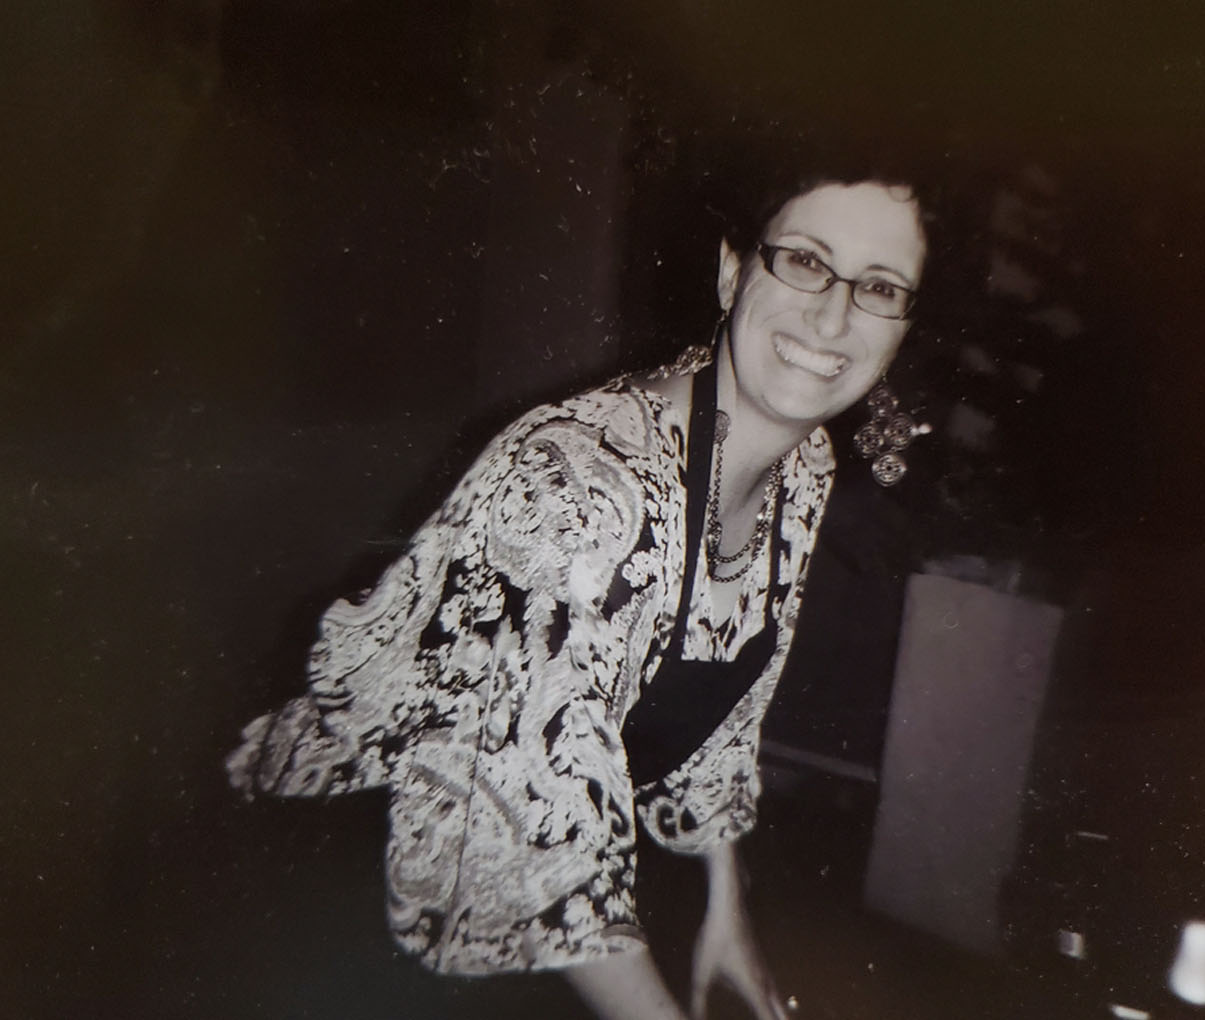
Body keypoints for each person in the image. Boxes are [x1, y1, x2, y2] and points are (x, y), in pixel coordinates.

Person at [226, 170, 929, 1020]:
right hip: (364, 882)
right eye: (806, 262)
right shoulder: (574, 485)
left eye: (878, 287)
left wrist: (724, 909)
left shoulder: (802, 465)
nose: (831, 316)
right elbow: (531, 830)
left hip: (556, 888)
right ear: (730, 272)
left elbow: (726, 716)